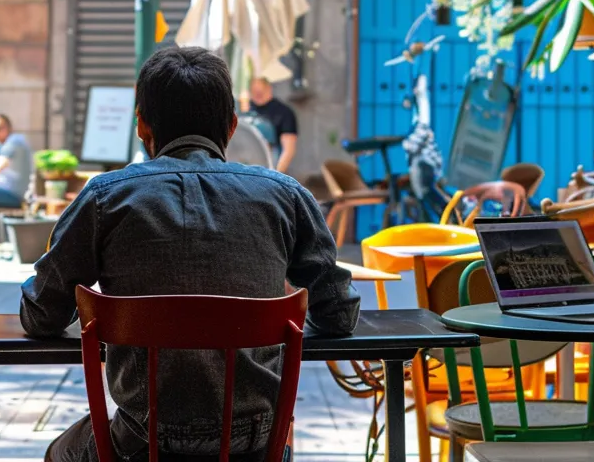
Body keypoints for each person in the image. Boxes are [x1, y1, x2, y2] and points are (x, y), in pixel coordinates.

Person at [22, 47, 359, 462]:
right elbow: (339, 316)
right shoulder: (286, 197)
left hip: (140, 444)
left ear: (142, 123)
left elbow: (41, 316)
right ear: (233, 126)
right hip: (256, 448)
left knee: (62, 451)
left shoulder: (103, 200)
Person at [245, 77, 298, 173]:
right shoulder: (246, 110)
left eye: (260, 91)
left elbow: (288, 150)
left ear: (269, 88)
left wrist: (276, 175)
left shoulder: (284, 112)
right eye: (254, 92)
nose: (257, 95)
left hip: (270, 168)